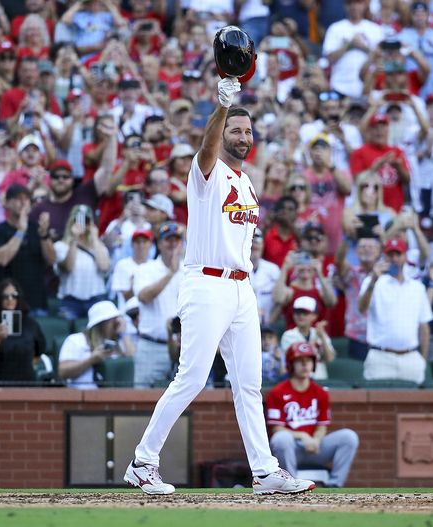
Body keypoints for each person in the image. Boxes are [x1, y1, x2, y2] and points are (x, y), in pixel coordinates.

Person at [125, 76, 315, 496]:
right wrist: (222, 108)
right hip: (206, 281)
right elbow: (207, 148)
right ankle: (143, 462)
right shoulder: (205, 172)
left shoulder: (247, 183)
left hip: (239, 286)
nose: (242, 137)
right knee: (191, 378)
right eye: (236, 130)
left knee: (249, 383)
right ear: (223, 132)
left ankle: (264, 472)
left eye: (247, 131)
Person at [265, 342, 359, 488]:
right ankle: (291, 485)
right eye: (300, 361)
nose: (305, 365)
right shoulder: (277, 392)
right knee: (281, 439)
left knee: (349, 436)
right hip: (292, 448)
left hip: (315, 447)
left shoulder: (320, 392)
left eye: (308, 361)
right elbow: (277, 429)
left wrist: (315, 440)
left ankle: (335, 485)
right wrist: (303, 436)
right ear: (291, 364)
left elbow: (322, 426)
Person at [358, 238, 432, 383]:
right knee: (376, 404)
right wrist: (373, 280)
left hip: (410, 356)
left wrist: (422, 359)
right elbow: (362, 308)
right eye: (390, 255)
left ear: (405, 257)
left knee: (414, 403)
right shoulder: (373, 281)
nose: (394, 259)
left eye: (398, 254)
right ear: (384, 257)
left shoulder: (417, 287)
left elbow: (424, 326)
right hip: (380, 356)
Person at [0, 184, 56, 316]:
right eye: (18, 198)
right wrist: (21, 231)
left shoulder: (37, 229)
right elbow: (2, 259)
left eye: (27, 199)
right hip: (8, 304)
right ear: (7, 203)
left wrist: (44, 235)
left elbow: (51, 260)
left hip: (37, 302)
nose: (23, 203)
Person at [132, 222, 184, 388]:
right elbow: (144, 297)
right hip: (151, 346)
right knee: (142, 400)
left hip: (181, 349)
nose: (173, 244)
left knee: (185, 407)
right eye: (168, 240)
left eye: (177, 240)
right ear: (160, 243)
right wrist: (171, 273)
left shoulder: (190, 271)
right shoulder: (146, 269)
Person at [0, 278, 48, 385]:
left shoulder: (30, 323)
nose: (10, 299)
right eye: (5, 296)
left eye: (14, 295)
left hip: (26, 384)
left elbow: (39, 352)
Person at [58, 300, 134, 389]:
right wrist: (91, 360)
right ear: (103, 323)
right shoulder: (76, 340)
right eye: (114, 320)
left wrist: (124, 334)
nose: (118, 323)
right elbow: (63, 372)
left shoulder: (122, 340)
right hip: (81, 394)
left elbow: (134, 363)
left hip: (116, 395)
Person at [53, 205, 111, 320]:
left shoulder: (99, 247)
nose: (82, 224)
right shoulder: (60, 246)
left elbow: (104, 267)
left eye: (86, 220)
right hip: (71, 302)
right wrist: (75, 238)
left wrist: (94, 237)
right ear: (71, 222)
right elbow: (68, 267)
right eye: (78, 220)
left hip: (96, 299)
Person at [279, 296, 336, 380]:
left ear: (314, 316)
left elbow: (329, 358)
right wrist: (316, 337)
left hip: (320, 379)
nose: (301, 316)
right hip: (298, 380)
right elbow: (302, 355)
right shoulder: (288, 335)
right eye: (297, 313)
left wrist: (322, 338)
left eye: (305, 313)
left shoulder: (320, 333)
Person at [110, 228, 154, 308]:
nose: (141, 245)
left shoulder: (155, 265)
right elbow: (126, 297)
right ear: (132, 244)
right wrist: (134, 285)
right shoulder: (122, 265)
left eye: (144, 242)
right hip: (128, 316)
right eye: (137, 242)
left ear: (150, 244)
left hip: (149, 316)